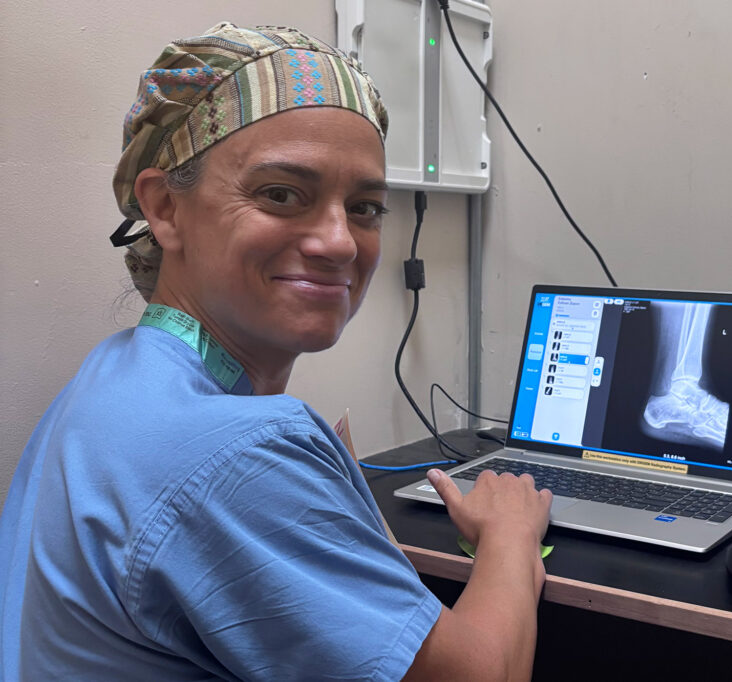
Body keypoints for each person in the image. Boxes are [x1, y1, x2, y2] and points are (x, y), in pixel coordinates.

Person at [0, 22, 552, 681]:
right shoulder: (238, 453)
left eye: (366, 207)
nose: (340, 243)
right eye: (281, 194)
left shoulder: (115, 373)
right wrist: (510, 539)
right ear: (164, 209)